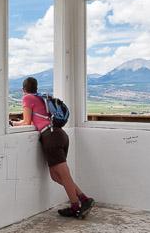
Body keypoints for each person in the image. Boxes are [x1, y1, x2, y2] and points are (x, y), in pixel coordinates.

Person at [10, 77, 94, 218]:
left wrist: (12, 123)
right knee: (56, 176)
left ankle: (76, 206)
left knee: (64, 175)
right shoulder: (42, 98)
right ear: (36, 87)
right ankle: (84, 199)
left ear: (23, 89)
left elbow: (26, 122)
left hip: (51, 137)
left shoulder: (27, 98)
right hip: (59, 135)